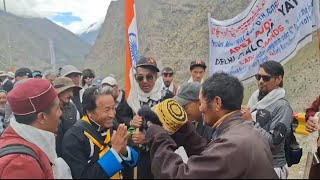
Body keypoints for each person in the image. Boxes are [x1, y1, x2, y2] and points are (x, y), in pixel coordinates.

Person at [145, 73, 278, 179]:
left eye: (201, 102)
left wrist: (158, 136)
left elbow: (178, 175)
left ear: (217, 103)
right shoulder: (245, 130)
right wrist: (185, 129)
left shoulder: (233, 145)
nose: (201, 108)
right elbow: (211, 157)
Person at [60, 86, 138, 179]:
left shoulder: (113, 127)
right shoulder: (73, 138)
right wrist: (114, 152)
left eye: (113, 108)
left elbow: (134, 158)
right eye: (107, 109)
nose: (112, 115)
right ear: (89, 111)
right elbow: (82, 176)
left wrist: (124, 151)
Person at [0, 79, 71, 179]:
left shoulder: (28, 144)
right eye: (58, 108)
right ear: (42, 117)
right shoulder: (21, 163)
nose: (61, 113)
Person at [242, 60, 293, 179]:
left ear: (278, 79)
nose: (260, 81)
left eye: (265, 78)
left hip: (272, 168)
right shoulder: (255, 100)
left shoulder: (282, 107)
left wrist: (250, 122)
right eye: (258, 77)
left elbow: (274, 143)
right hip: (252, 164)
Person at [127, 56, 164, 179]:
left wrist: (147, 138)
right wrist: (132, 126)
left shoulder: (166, 98)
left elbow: (172, 133)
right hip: (140, 158)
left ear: (156, 77)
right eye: (140, 78)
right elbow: (128, 132)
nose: (144, 81)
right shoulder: (132, 100)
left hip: (162, 156)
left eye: (149, 77)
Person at [53, 77, 82, 156]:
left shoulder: (73, 108)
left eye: (72, 91)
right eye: (67, 91)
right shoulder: (47, 109)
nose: (71, 95)